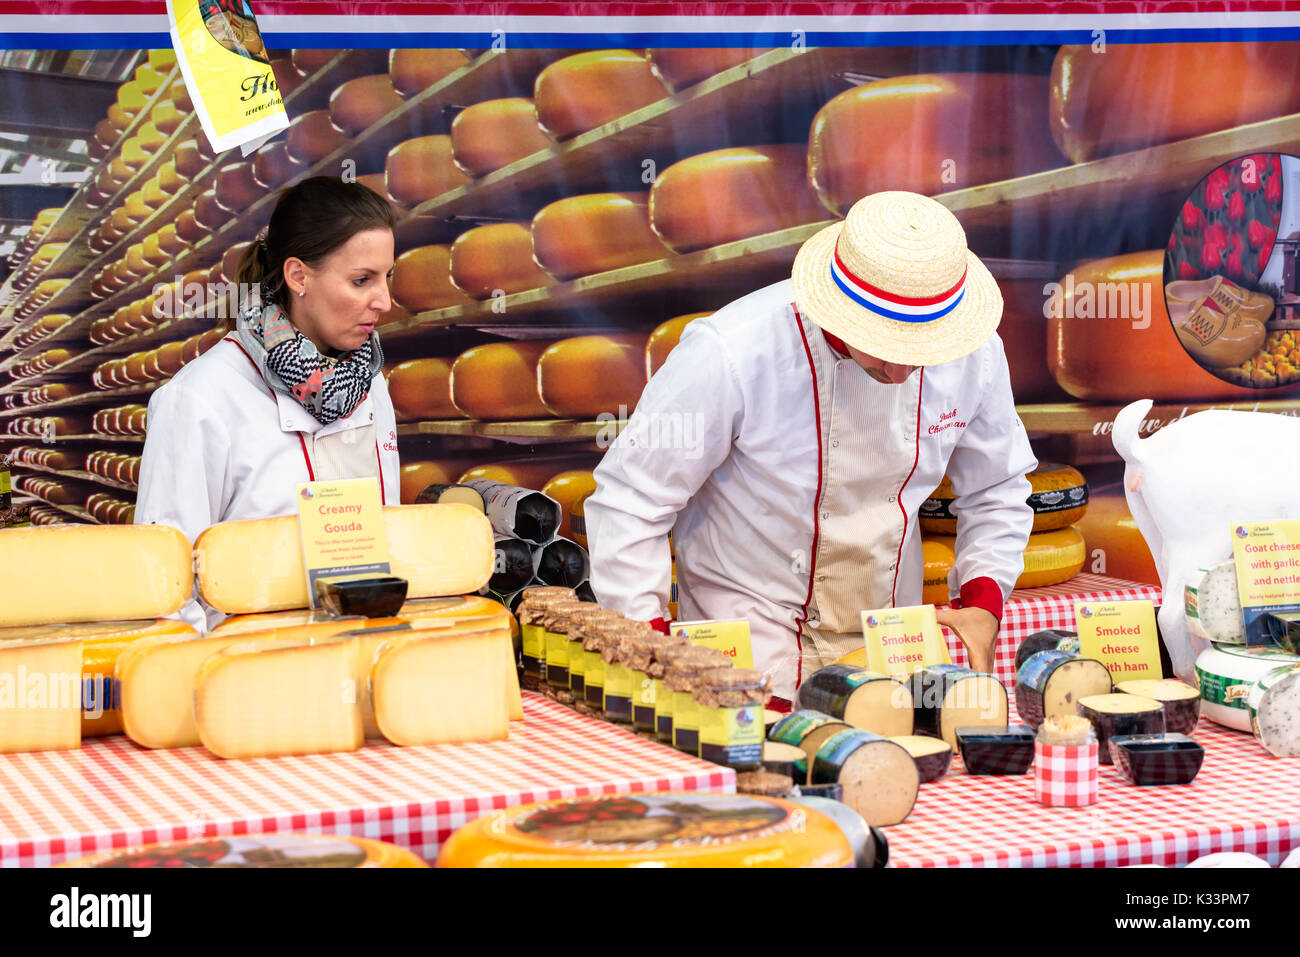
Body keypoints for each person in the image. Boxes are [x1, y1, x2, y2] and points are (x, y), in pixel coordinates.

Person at [585, 190, 1037, 704]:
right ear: (839, 310)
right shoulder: (731, 352)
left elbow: (997, 488)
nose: (902, 371)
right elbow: (629, 502)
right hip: (748, 648)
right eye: (888, 346)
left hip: (890, 643)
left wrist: (982, 598)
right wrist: (657, 650)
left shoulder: (974, 352)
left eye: (923, 350)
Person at [137, 176, 401, 629]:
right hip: (248, 677)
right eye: (362, 280)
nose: (386, 301)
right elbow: (165, 592)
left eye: (386, 278)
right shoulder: (200, 399)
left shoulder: (370, 383)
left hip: (363, 662)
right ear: (298, 275)